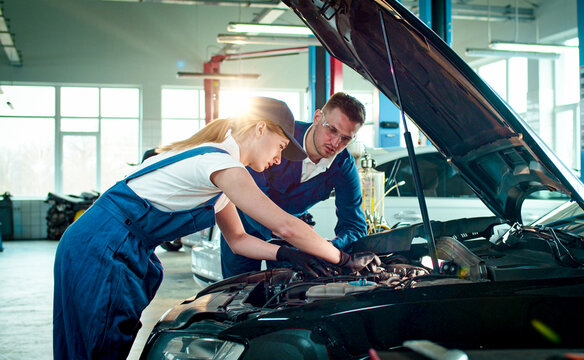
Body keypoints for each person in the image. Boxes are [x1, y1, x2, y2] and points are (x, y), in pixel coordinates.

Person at [52, 97, 378, 360]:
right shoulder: (221, 163)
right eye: (279, 147)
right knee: (97, 345)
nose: (280, 161)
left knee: (106, 340)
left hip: (118, 245)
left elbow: (238, 240)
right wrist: (342, 259)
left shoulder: (220, 178)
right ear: (260, 130)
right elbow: (284, 224)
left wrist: (284, 253)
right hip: (105, 245)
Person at [221, 92, 368, 278]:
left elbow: (354, 225)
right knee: (236, 292)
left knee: (289, 295)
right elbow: (253, 196)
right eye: (332, 129)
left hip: (292, 237)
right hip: (245, 227)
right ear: (317, 118)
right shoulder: (280, 137)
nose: (336, 143)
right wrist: (295, 237)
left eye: (346, 139)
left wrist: (328, 248)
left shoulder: (343, 165)